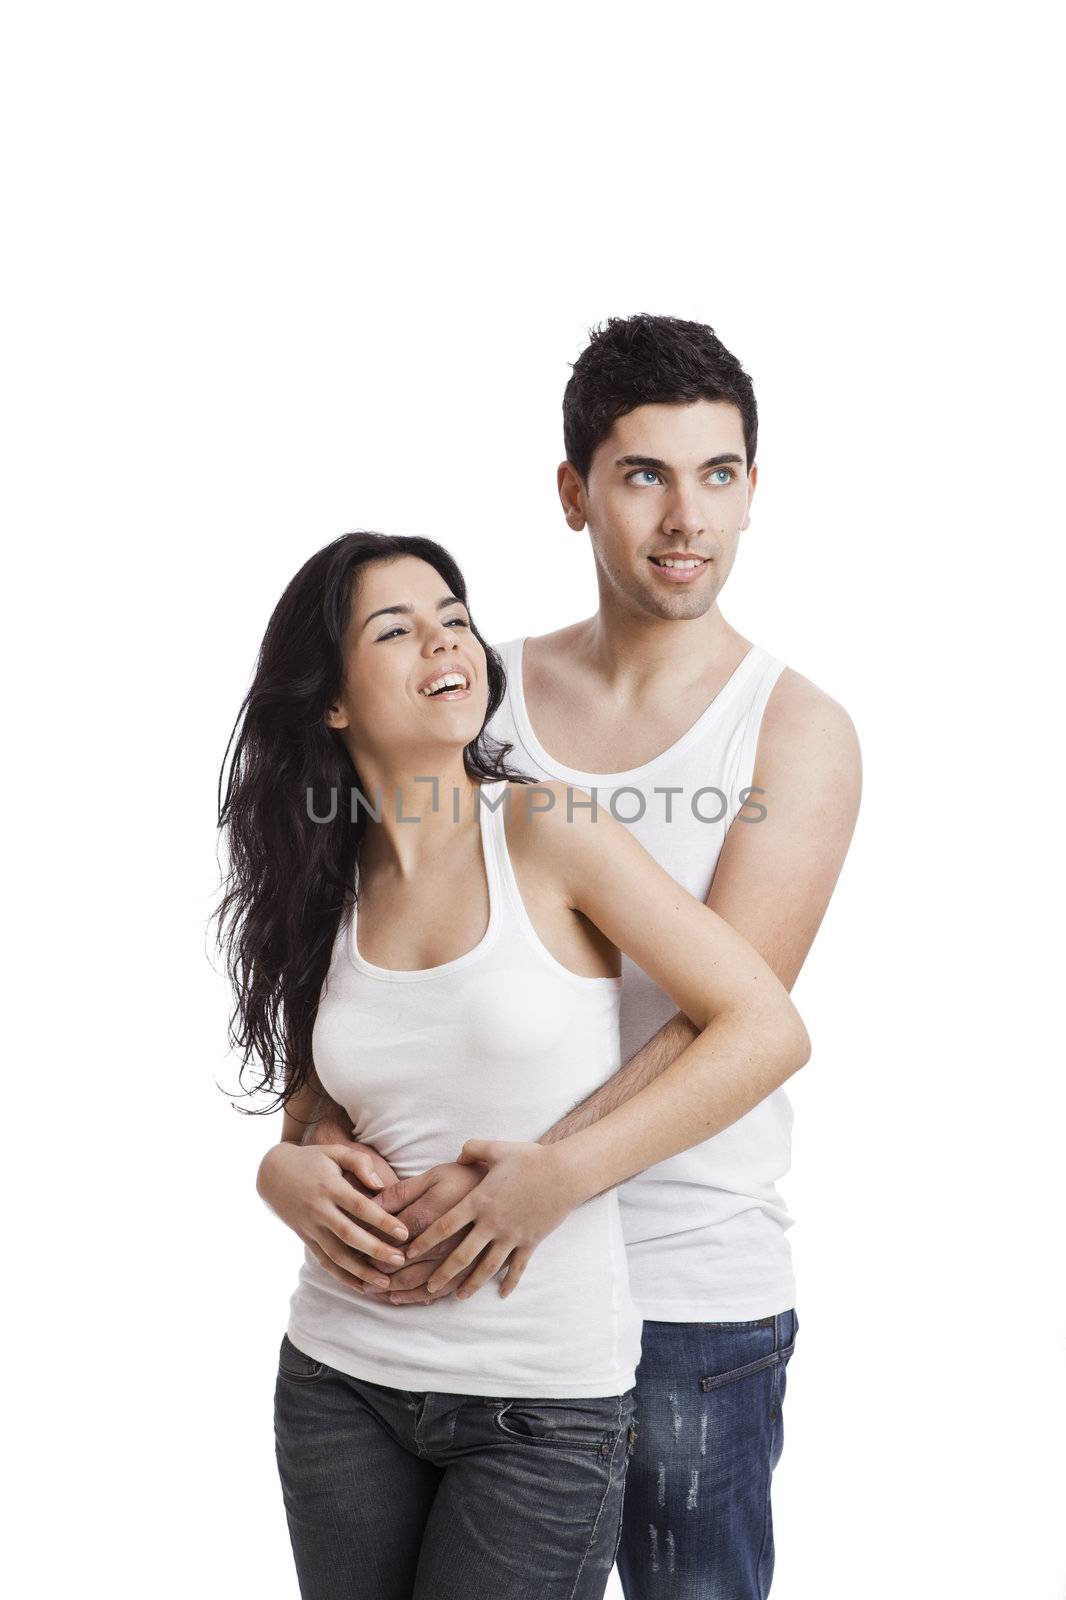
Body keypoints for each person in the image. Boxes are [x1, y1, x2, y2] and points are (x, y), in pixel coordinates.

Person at [292, 314, 862, 1598]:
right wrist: (308, 1136)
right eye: (643, 474)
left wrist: (549, 1179)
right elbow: (351, 948)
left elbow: (731, 1015)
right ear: (574, 492)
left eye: (719, 474)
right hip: (454, 1303)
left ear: (754, 492)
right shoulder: (465, 681)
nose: (685, 518)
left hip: (684, 1287)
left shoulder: (797, 732)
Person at [220, 529, 810, 1600]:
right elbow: (318, 1110)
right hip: (339, 1382)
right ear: (333, 702)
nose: (445, 639)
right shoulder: (321, 878)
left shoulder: (544, 827)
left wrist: (561, 1175)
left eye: (453, 615)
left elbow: (763, 1026)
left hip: (537, 1400)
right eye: (396, 629)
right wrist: (282, 1169)